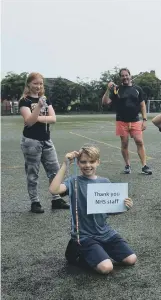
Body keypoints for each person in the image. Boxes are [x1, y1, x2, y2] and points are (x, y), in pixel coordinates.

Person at [49, 145, 137, 274]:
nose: (87, 165)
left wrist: (125, 206)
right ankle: (78, 250)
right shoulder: (74, 182)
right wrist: (65, 164)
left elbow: (109, 209)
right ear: (78, 163)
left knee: (131, 259)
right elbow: (54, 189)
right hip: (84, 235)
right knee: (107, 268)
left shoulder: (105, 181)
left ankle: (98, 251)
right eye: (83, 162)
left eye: (91, 161)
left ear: (98, 162)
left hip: (105, 232)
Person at [18, 72, 70, 213]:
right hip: (31, 141)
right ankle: (35, 202)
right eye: (35, 83)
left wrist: (38, 117)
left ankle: (56, 199)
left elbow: (53, 119)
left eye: (40, 83)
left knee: (54, 171)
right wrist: (40, 109)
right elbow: (28, 122)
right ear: (29, 84)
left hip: (46, 140)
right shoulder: (25, 101)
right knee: (33, 173)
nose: (38, 86)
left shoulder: (45, 99)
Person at [101, 68, 152, 175]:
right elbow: (105, 102)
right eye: (122, 76)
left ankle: (144, 166)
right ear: (120, 78)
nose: (124, 77)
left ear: (130, 76)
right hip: (121, 121)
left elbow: (142, 105)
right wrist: (107, 89)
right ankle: (127, 165)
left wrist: (144, 119)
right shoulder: (116, 89)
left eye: (126, 75)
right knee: (124, 144)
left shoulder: (137, 89)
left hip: (135, 121)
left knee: (139, 141)